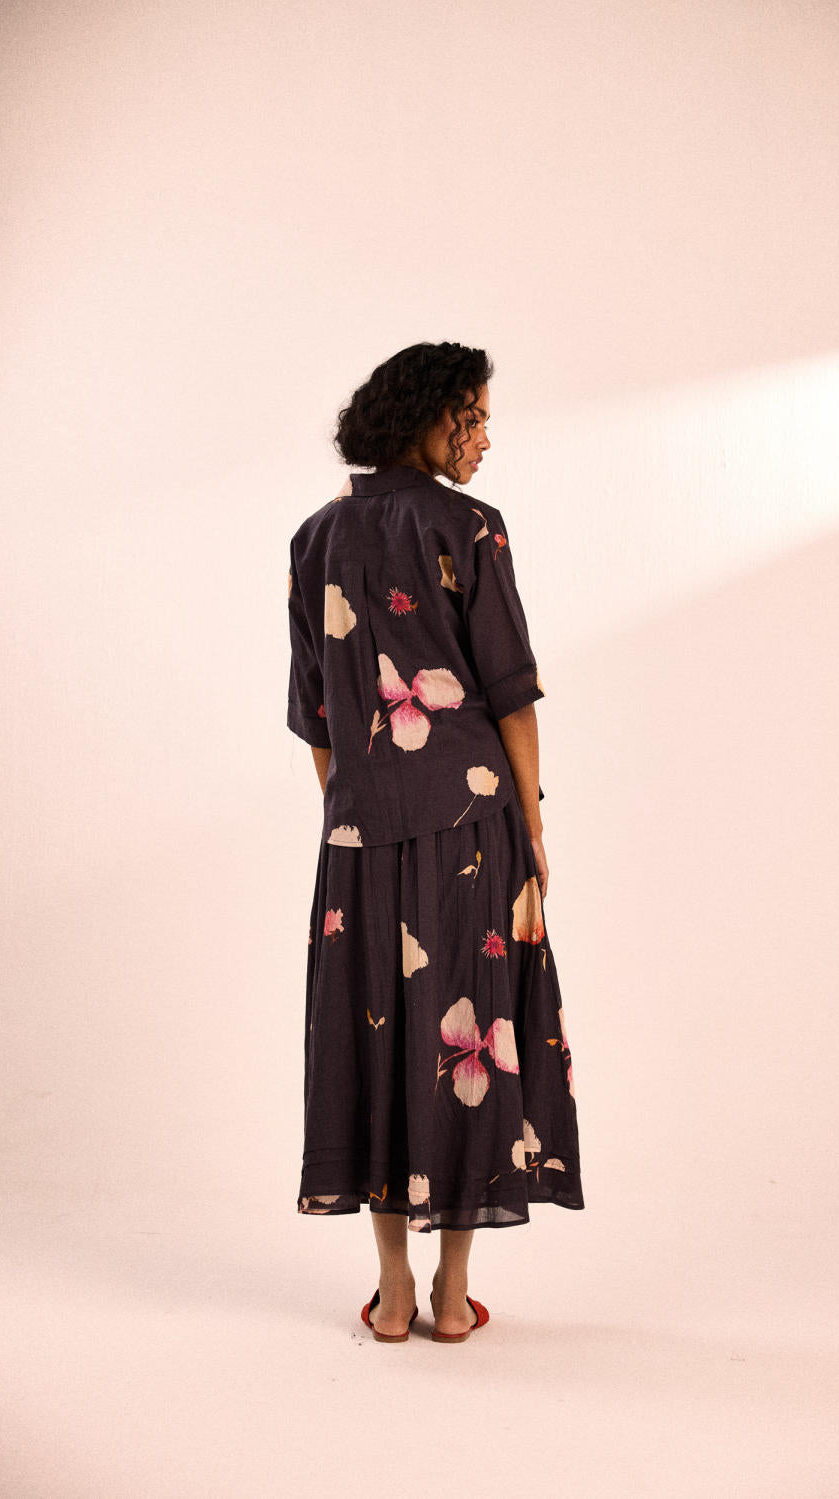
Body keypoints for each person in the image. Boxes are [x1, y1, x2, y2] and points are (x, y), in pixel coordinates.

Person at [286, 341, 583, 1342]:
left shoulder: (312, 539)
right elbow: (511, 691)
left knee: (374, 1040)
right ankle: (453, 1296)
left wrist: (360, 810)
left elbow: (318, 716)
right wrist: (530, 824)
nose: (486, 436)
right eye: (475, 416)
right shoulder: (469, 525)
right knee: (468, 1039)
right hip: (472, 826)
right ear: (429, 417)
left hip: (357, 838)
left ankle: (392, 1291)